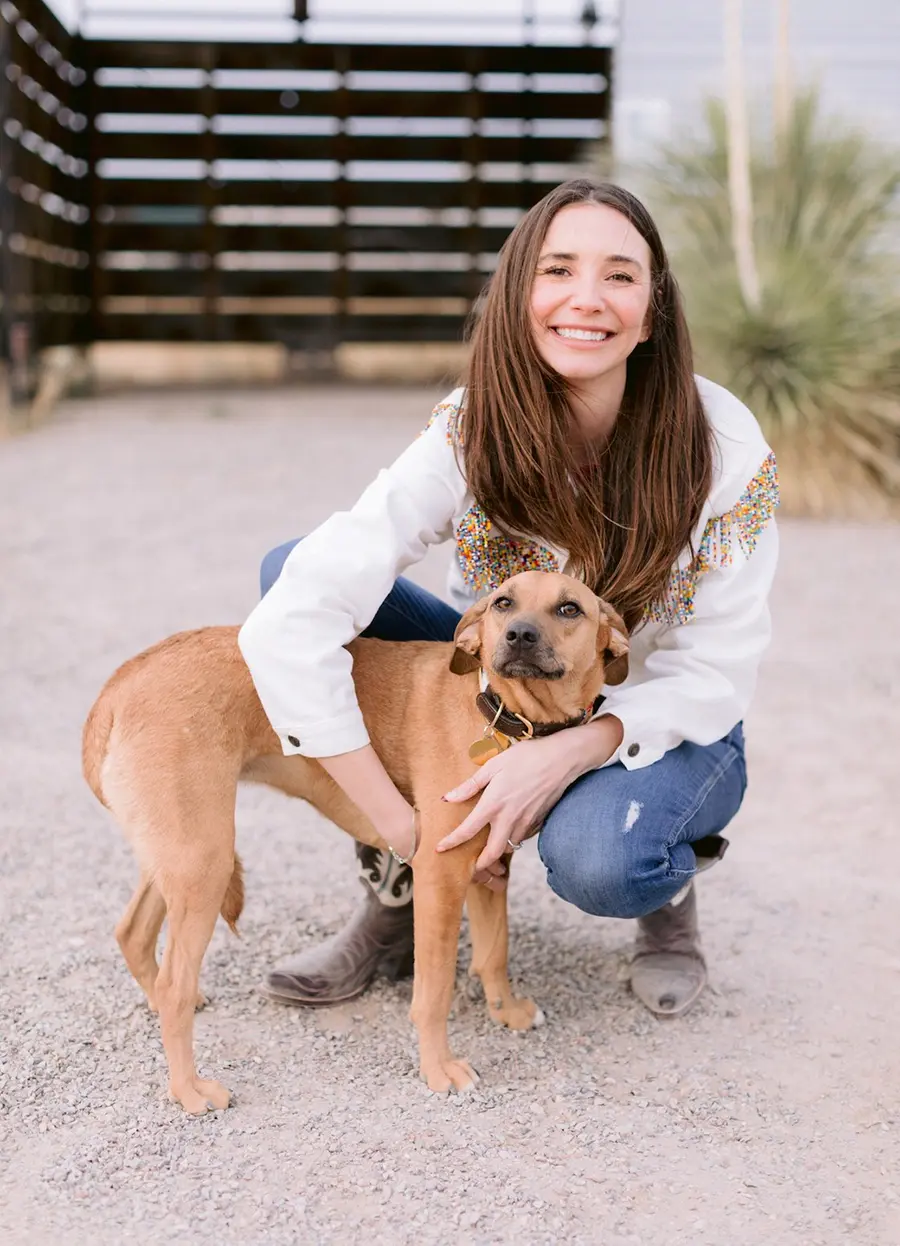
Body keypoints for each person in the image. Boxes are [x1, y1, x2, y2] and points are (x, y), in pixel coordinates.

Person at [238, 178, 779, 1018]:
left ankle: (663, 883)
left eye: (620, 276)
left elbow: (719, 670)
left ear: (655, 308)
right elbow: (303, 603)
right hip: (503, 698)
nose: (586, 299)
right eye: (558, 269)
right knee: (292, 572)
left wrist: (573, 747)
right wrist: (398, 825)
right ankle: (399, 895)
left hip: (664, 718)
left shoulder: (723, 443)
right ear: (520, 291)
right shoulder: (473, 424)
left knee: (603, 860)